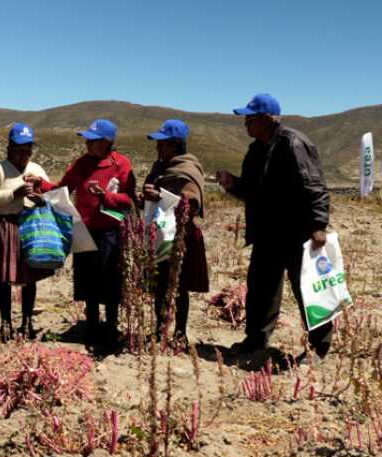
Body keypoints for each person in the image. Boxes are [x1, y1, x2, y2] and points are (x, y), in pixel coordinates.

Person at [216, 93, 331, 364]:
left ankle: (319, 348)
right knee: (260, 289)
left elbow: (315, 186)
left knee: (307, 290)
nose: (245, 124)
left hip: (297, 232)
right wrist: (233, 184)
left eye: (250, 119)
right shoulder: (256, 149)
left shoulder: (293, 144)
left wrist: (318, 225)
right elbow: (252, 190)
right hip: (267, 232)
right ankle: (256, 340)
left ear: (267, 119)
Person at [25, 119, 135, 351]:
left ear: (106, 142)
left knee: (110, 281)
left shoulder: (121, 164)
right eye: (86, 139)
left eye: (92, 140)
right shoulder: (81, 164)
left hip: (111, 232)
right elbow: (62, 188)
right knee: (89, 281)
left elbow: (129, 200)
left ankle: (111, 328)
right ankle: (92, 328)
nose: (87, 143)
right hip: (84, 230)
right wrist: (41, 184)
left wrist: (107, 197)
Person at [0, 123, 52, 341]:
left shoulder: (36, 170)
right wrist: (13, 194)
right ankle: (6, 322)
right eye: (19, 150)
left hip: (30, 226)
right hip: (4, 226)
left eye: (27, 150)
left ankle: (27, 321)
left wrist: (40, 199)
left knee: (30, 277)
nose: (23, 154)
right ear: (9, 148)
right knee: (3, 277)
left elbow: (50, 195)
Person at [143, 119, 209, 350]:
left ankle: (180, 333)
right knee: (160, 285)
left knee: (179, 286)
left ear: (175, 145)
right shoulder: (159, 168)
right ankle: (160, 329)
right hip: (160, 234)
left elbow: (190, 202)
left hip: (183, 235)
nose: (158, 148)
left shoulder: (187, 169)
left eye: (162, 144)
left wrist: (159, 196)